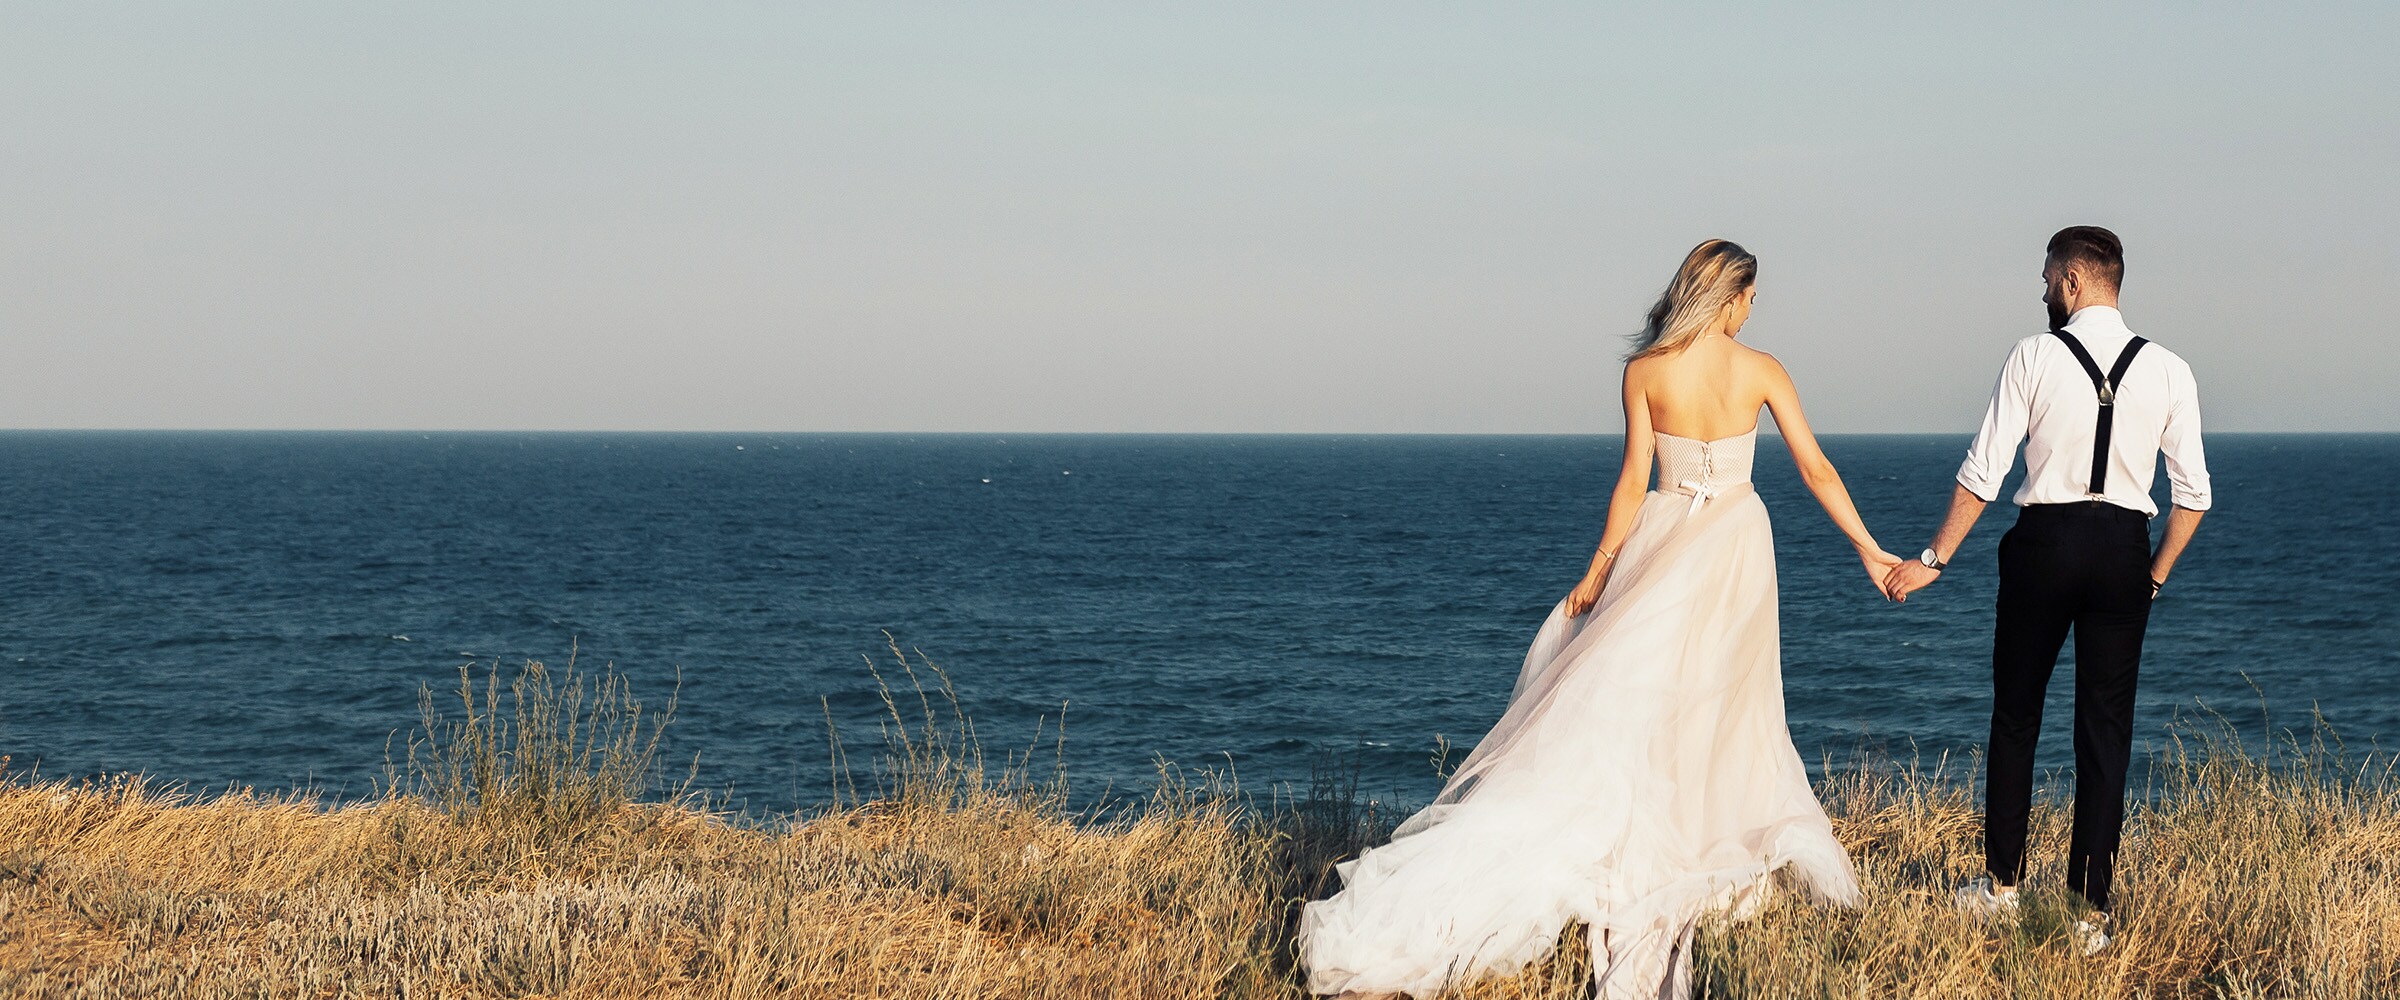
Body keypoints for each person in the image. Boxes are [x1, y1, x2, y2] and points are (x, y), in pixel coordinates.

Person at [1298, 240, 1895, 999]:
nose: (1753, 310)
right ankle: (1703, 833)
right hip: (1738, 546)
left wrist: (1598, 571)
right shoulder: (1762, 369)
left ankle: (1662, 831)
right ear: (1728, 295)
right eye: (1750, 297)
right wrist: (1871, 552)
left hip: (1666, 539)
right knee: (1722, 703)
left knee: (1645, 695)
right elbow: (1817, 468)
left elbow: (1631, 485)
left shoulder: (1646, 371)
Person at [1882, 225, 2211, 956]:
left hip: (2044, 547)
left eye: (2046, 279)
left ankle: (2003, 889)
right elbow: (2194, 497)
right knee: (2105, 730)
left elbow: (1983, 472)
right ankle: (2089, 915)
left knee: (2016, 716)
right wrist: (2152, 576)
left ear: (2072, 281)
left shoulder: (2033, 355)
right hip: (2124, 550)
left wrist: (1934, 557)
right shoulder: (2171, 370)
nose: (2042, 292)